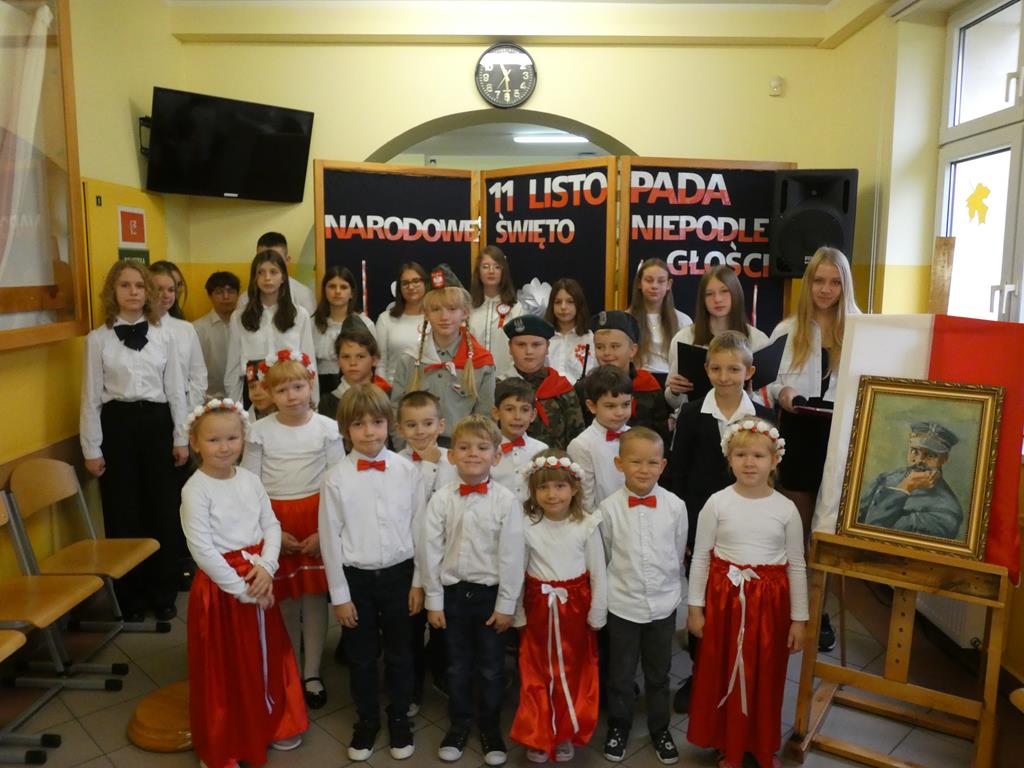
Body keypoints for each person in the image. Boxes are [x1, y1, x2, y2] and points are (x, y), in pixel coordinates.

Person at [181, 398, 307, 768]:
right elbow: (202, 549)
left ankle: (272, 722)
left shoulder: (250, 480)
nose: (224, 447)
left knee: (264, 655)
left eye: (232, 438)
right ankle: (226, 742)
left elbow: (271, 525)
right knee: (226, 666)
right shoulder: (195, 490)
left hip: (258, 577)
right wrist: (242, 591)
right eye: (214, 440)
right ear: (195, 443)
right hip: (223, 589)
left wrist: (267, 567)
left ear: (243, 439)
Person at [687, 419, 807, 768]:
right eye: (740, 455)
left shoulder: (786, 509)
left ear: (774, 460)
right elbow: (701, 558)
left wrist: (799, 619)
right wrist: (695, 608)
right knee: (723, 669)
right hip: (725, 602)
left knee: (766, 675)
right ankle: (728, 740)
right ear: (729, 459)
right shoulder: (717, 503)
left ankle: (760, 742)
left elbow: (797, 564)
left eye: (758, 455)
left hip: (770, 606)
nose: (749, 463)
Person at [669, 331, 773, 713]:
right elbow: (678, 474)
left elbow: (772, 475)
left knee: (739, 600)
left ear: (750, 372)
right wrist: (685, 532)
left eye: (733, 369)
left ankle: (736, 666)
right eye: (716, 369)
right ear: (706, 369)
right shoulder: (692, 413)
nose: (724, 377)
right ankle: (701, 672)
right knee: (702, 598)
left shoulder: (764, 417)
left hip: (748, 528)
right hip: (703, 524)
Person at [319, 385, 424, 761]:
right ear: (345, 429)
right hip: (356, 580)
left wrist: (418, 582)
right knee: (361, 657)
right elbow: (330, 540)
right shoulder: (335, 478)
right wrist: (340, 596)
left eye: (377, 423)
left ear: (390, 425)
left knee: (401, 653)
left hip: (400, 577)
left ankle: (399, 716)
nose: (369, 432)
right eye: (359, 424)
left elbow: (419, 529)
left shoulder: (407, 471)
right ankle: (366, 719)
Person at [79, 261, 188, 622]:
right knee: (123, 511)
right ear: (113, 291)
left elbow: (175, 390)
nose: (133, 292)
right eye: (125, 285)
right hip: (118, 425)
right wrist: (91, 448)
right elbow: (90, 397)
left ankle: (163, 591)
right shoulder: (98, 339)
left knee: (163, 509)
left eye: (139, 286)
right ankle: (131, 597)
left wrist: (181, 437)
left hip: (157, 423)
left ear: (149, 292)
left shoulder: (165, 336)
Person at [240, 351, 345, 710]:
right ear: (269, 393)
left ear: (311, 385)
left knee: (314, 598)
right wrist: (270, 534)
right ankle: (288, 668)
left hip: (316, 517)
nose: (292, 396)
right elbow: (250, 484)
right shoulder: (259, 432)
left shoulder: (327, 427)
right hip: (275, 520)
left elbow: (337, 480)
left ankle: (311, 671)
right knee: (284, 598)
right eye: (282, 390)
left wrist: (324, 533)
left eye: (298, 387)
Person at [767, 246, 859, 652]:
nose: (826, 289)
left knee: (828, 531)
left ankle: (820, 611)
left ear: (845, 285)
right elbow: (769, 379)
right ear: (808, 284)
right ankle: (794, 609)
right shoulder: (787, 329)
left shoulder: (861, 329)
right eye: (819, 281)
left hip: (841, 434)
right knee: (797, 529)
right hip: (800, 432)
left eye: (835, 282)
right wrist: (782, 391)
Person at [420, 415, 525, 766]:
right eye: (464, 447)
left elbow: (512, 556)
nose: (473, 454)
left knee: (492, 667)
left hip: (490, 596)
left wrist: (507, 605)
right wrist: (434, 601)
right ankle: (459, 724)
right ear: (451, 455)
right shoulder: (441, 499)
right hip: (452, 595)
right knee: (457, 666)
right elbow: (430, 552)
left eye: (482, 448)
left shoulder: (507, 501)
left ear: (497, 456)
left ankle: (490, 727)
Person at [511, 450, 607, 764]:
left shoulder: (586, 524)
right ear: (533, 491)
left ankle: (565, 730)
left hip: (575, 610)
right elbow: (517, 571)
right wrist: (517, 612)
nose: (552, 494)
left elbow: (598, 571)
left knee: (573, 671)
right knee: (536, 672)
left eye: (559, 486)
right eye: (543, 487)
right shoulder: (527, 525)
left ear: (574, 488)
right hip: (538, 608)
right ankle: (538, 733)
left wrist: (597, 611)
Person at [598, 428, 687, 765]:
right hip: (623, 604)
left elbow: (677, 551)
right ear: (619, 464)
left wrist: (672, 593)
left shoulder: (676, 506)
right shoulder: (607, 509)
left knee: (659, 673)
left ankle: (660, 728)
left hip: (663, 605)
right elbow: (606, 555)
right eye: (635, 462)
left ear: (662, 465)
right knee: (621, 674)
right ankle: (618, 726)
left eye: (652, 462)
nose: (644, 469)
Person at [395, 390, 455, 710]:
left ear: (441, 425)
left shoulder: (454, 461)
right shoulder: (394, 463)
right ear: (399, 429)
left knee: (444, 623)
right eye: (412, 425)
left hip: (446, 557)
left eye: (428, 423)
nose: (420, 431)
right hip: (408, 558)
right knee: (410, 626)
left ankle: (443, 673)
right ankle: (412, 685)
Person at [391, 264, 496, 444]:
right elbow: (396, 412)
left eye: (452, 309)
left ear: (465, 313)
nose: (444, 317)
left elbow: (485, 420)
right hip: (417, 450)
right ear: (426, 314)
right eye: (436, 309)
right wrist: (403, 452)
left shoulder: (481, 362)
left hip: (463, 450)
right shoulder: (409, 359)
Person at [665, 266, 769, 413]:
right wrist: (674, 391)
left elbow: (768, 399)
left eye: (724, 291)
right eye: (709, 294)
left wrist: (750, 397)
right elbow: (674, 402)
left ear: (736, 293)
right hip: (697, 419)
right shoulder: (684, 338)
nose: (718, 299)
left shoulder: (758, 340)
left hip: (744, 421)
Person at [225, 250, 317, 406]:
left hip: (290, 390)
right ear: (254, 278)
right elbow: (233, 367)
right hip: (255, 392)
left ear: (283, 277)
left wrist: (312, 402)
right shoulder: (239, 317)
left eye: (273, 272)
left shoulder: (300, 315)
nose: (267, 278)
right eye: (261, 272)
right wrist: (235, 406)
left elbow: (309, 363)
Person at [858, 422, 964, 539]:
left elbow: (876, 531)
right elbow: (857, 520)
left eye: (930, 455)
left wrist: (906, 487)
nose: (919, 460)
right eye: (914, 451)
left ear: (944, 459)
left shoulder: (947, 511)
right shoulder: (885, 478)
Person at [581, 311, 670, 446]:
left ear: (633, 350)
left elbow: (661, 435)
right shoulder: (585, 388)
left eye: (615, 346)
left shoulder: (649, 386)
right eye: (600, 347)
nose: (606, 353)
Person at [502, 314, 585, 451]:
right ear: (510, 347)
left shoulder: (561, 387)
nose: (529, 351)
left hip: (556, 462)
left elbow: (577, 437)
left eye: (536, 345)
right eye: (521, 345)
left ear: (547, 347)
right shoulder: (499, 387)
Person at [567, 365, 632, 511]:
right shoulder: (582, 445)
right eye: (610, 406)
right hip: (601, 520)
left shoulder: (637, 437)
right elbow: (585, 501)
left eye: (626, 404)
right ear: (592, 406)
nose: (620, 412)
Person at [150, 262, 208, 412]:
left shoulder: (185, 329)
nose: (166, 295)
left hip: (185, 406)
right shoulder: (137, 329)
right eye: (159, 289)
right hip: (152, 408)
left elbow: (198, 375)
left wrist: (188, 408)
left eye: (171, 289)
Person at [312, 265, 375, 398]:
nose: (337, 291)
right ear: (324, 290)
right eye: (332, 286)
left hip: (356, 387)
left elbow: (373, 360)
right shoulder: (313, 323)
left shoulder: (365, 323)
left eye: (343, 287)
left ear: (351, 293)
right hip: (319, 387)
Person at [626, 259, 692, 383]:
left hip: (671, 384)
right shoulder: (626, 319)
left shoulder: (683, 320)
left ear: (669, 284)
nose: (654, 286)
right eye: (649, 280)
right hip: (638, 382)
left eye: (661, 281)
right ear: (639, 283)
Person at [490, 377, 548, 503]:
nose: (517, 417)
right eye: (509, 409)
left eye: (524, 410)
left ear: (533, 415)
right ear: (496, 413)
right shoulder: (486, 450)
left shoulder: (542, 450)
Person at [317, 322, 391, 420]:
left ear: (374, 360)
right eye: (346, 357)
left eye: (360, 356)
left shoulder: (387, 397)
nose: (352, 363)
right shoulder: (328, 403)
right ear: (338, 361)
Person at [469, 245, 524, 377]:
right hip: (473, 379)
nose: (491, 271)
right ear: (478, 271)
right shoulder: (468, 307)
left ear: (503, 272)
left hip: (507, 379)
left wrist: (508, 377)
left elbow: (521, 345)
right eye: (485, 266)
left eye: (497, 267)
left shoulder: (516, 307)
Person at [377, 261, 430, 383]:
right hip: (394, 389)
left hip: (429, 390)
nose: (411, 287)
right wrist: (383, 391)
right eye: (405, 283)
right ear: (399, 289)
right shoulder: (385, 319)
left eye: (416, 281)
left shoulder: (436, 318)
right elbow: (380, 363)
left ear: (425, 283)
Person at [194, 271, 241, 399]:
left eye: (231, 291)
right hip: (209, 397)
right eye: (219, 292)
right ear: (210, 296)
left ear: (238, 295)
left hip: (242, 396)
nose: (226, 297)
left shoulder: (247, 325)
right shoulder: (197, 329)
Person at [544, 278, 595, 385]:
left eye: (570, 302)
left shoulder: (590, 339)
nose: (563, 307)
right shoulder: (543, 337)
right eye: (558, 302)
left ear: (579, 304)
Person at [256, 231, 316, 314]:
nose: (268, 262)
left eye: (276, 258)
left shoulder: (304, 295)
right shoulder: (245, 299)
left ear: (287, 261)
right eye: (263, 258)